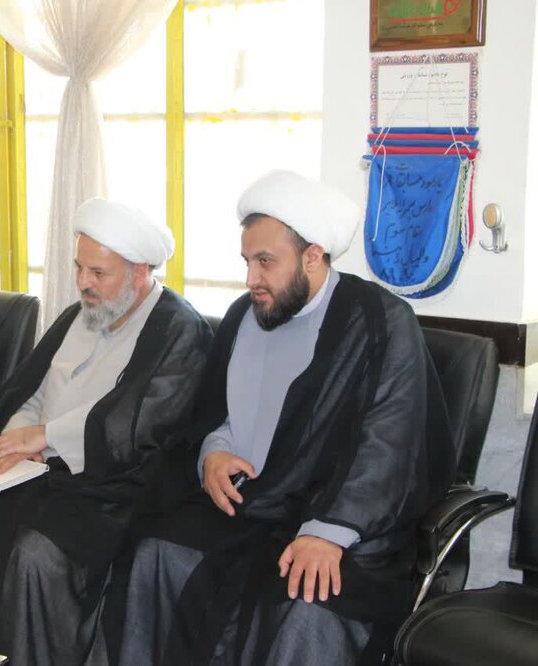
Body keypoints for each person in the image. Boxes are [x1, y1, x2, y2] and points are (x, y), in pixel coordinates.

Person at [110, 171, 455, 665]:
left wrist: (329, 531)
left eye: (266, 261)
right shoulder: (243, 315)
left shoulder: (379, 322)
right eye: (248, 261)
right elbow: (214, 413)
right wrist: (212, 453)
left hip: (346, 522)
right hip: (253, 506)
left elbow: (390, 446)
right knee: (155, 552)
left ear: (312, 256)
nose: (251, 278)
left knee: (303, 610)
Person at [0, 198, 213, 666]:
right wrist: (18, 440)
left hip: (116, 486)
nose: (83, 282)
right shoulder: (82, 314)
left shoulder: (180, 330)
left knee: (36, 555)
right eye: (79, 267)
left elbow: (140, 424)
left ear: (138, 273)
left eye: (98, 272)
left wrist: (47, 436)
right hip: (38, 470)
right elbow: (29, 391)